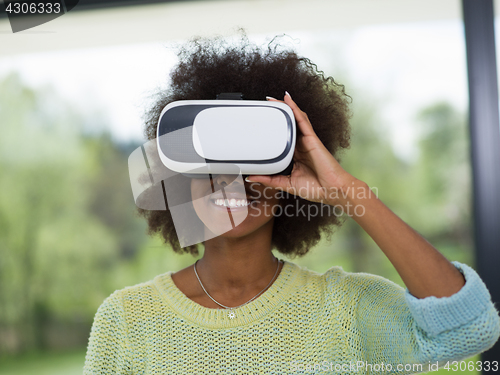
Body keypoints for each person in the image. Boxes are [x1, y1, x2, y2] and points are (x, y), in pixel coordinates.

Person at [83, 35, 500, 374]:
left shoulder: (346, 310)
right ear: (178, 178)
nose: (233, 179)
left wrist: (344, 190)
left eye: (253, 156)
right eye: (211, 159)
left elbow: (469, 328)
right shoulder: (125, 320)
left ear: (289, 176)